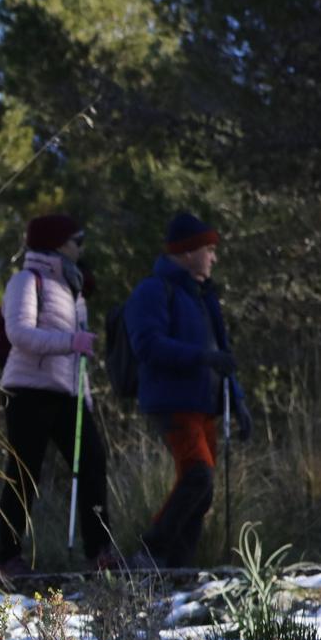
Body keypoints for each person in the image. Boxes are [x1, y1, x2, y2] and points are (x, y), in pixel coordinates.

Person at [121, 211, 251, 568]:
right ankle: (151, 553)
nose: (214, 256)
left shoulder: (203, 296)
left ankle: (179, 565)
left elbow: (221, 354)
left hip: (203, 403)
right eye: (208, 249)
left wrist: (237, 402)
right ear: (188, 251)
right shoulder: (153, 291)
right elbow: (146, 345)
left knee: (202, 488)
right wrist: (203, 358)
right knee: (198, 476)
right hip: (171, 401)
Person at [0, 213, 111, 583]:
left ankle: (100, 552)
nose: (81, 247)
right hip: (27, 391)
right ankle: (7, 557)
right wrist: (69, 342)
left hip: (67, 394)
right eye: (78, 240)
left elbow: (80, 360)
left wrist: (85, 399)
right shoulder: (27, 280)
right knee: (24, 473)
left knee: (92, 460)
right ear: (59, 243)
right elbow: (19, 333)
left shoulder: (74, 290)